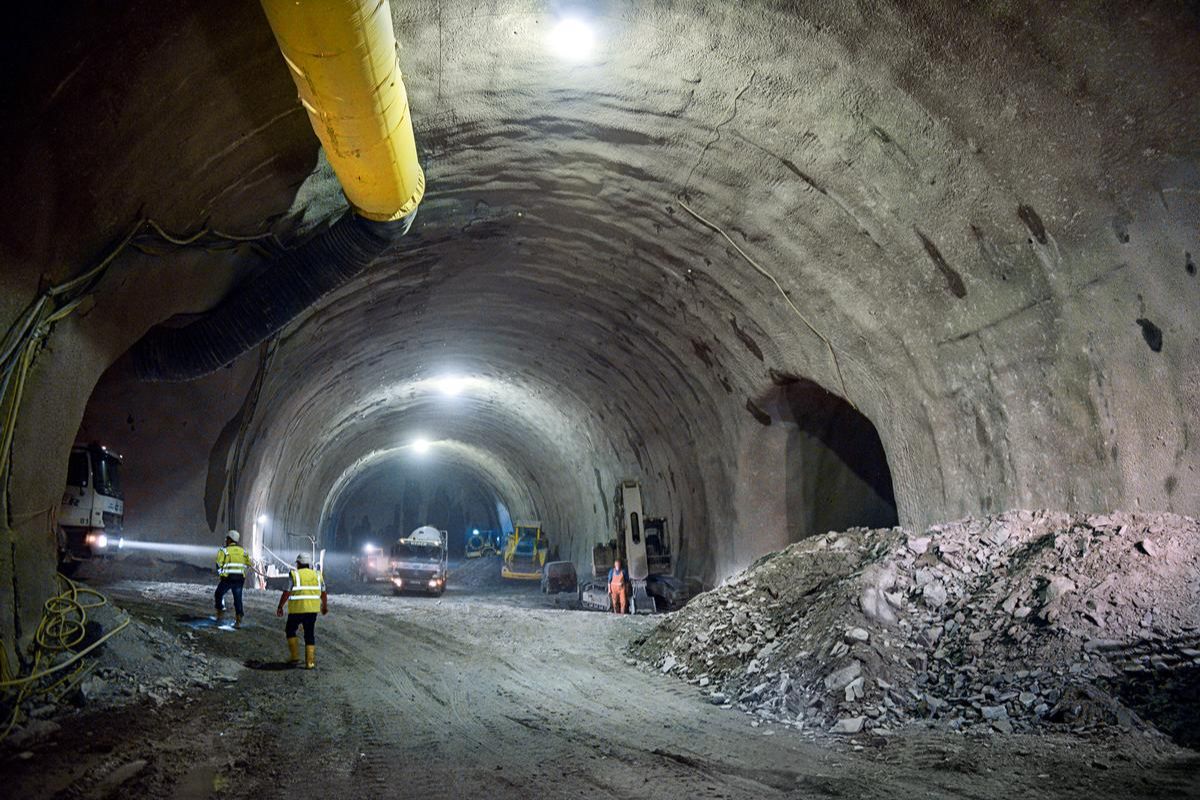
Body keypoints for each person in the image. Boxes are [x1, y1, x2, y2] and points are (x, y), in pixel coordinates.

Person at [275, 551, 327, 669]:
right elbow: (323, 592)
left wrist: (280, 606)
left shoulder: (294, 575)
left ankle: (294, 657)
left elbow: (287, 592)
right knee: (309, 634)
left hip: (297, 610)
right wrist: (324, 606)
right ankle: (310, 662)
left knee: (290, 630)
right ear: (309, 564)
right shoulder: (318, 575)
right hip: (312, 610)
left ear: (298, 563)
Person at [215, 529, 253, 628]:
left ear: (229, 539)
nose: (225, 540)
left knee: (218, 594)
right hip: (239, 579)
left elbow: (218, 564)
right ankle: (238, 621)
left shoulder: (224, 550)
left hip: (227, 579)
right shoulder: (243, 551)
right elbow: (248, 564)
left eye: (227, 538)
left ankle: (220, 612)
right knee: (238, 599)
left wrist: (221, 574)